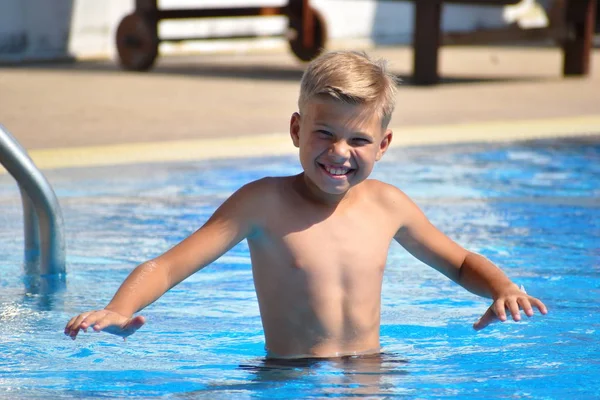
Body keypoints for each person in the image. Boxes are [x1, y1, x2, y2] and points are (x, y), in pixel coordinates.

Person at [64, 50, 547, 359]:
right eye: (324, 133)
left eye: (359, 139)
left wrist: (501, 288)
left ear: (384, 145)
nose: (339, 153)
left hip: (372, 375)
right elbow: (168, 267)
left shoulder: (388, 205)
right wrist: (118, 308)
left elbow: (460, 261)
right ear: (297, 130)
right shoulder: (262, 203)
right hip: (286, 378)